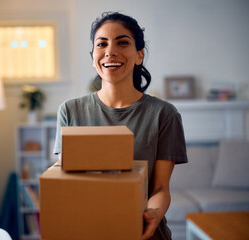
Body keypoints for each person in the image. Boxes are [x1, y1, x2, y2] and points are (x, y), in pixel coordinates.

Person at [53, 11, 188, 240]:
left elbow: (160, 189)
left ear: (138, 56)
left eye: (122, 42)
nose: (110, 51)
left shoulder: (164, 115)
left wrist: (153, 214)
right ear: (93, 56)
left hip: (143, 232)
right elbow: (69, 183)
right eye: (101, 44)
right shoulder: (69, 111)